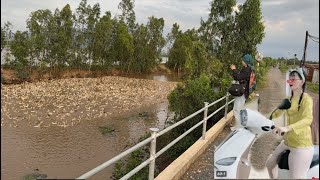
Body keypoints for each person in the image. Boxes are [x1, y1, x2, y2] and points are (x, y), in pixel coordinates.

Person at [266, 67, 314, 179]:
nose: (290, 80)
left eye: (294, 78)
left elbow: (308, 119)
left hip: (301, 145)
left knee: (296, 177)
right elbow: (277, 112)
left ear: (302, 82)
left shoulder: (306, 99)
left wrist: (287, 128)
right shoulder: (288, 99)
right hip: (288, 141)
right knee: (269, 164)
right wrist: (267, 119)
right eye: (290, 78)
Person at [230, 54, 254, 130]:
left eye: (243, 60)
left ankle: (238, 127)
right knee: (238, 109)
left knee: (237, 109)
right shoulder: (246, 68)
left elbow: (238, 77)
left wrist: (234, 69)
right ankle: (240, 125)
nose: (242, 61)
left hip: (242, 93)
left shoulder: (247, 70)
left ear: (246, 62)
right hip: (243, 91)